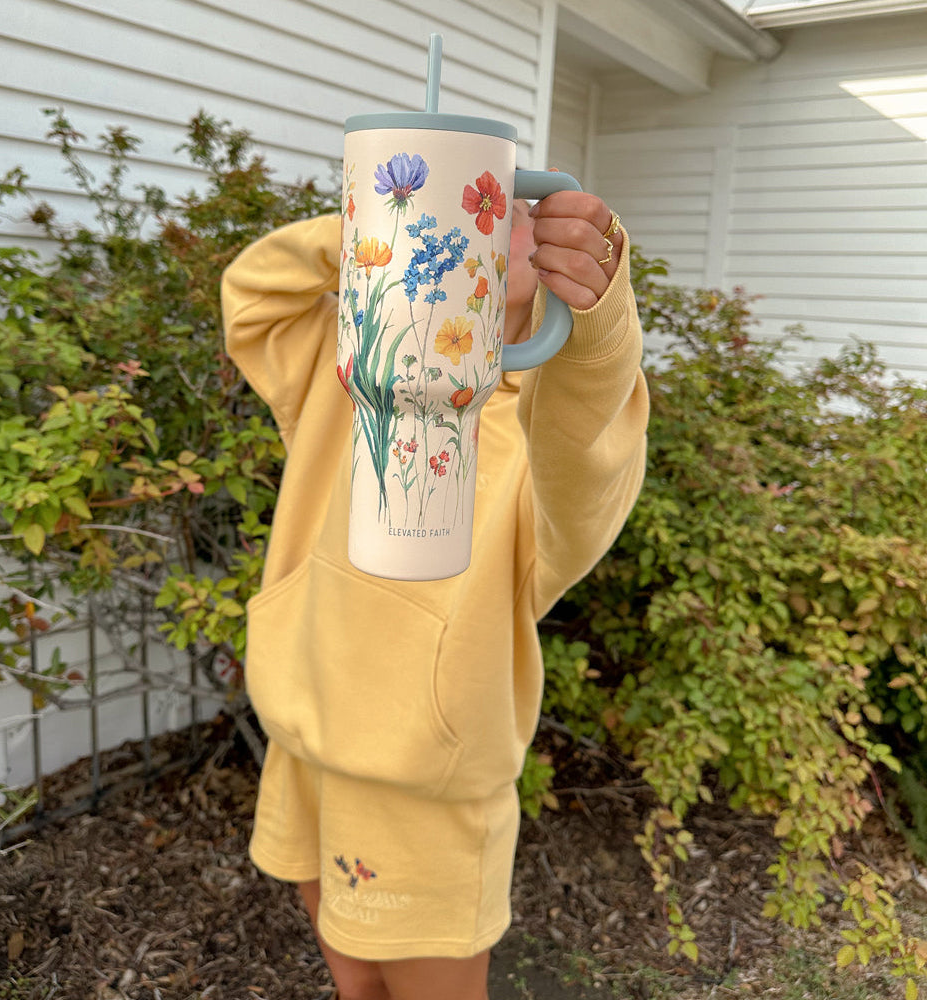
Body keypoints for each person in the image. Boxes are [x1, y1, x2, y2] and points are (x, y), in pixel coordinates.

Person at [221, 188, 650, 1000]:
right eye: (479, 197)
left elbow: (591, 429)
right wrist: (378, 230)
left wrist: (598, 316)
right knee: (355, 984)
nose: (483, 217)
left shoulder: (545, 435)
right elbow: (256, 298)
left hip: (425, 782)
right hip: (304, 734)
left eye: (514, 209)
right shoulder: (359, 365)